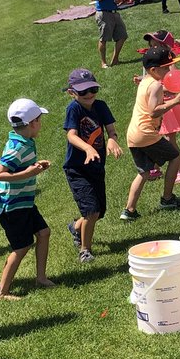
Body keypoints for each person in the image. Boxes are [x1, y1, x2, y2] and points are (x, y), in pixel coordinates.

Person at [0, 98, 55, 300]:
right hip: (12, 206)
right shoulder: (16, 147)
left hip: (24, 202)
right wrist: (28, 173)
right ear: (32, 123)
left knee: (44, 232)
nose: (40, 124)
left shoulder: (24, 142)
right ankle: (2, 293)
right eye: (39, 120)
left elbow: (22, 166)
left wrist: (35, 166)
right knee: (21, 247)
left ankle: (41, 278)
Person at [121, 47, 180, 220]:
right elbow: (154, 112)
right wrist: (175, 101)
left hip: (134, 134)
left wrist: (173, 94)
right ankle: (167, 199)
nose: (169, 71)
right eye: (166, 68)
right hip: (147, 134)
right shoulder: (156, 85)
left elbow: (154, 95)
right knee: (174, 157)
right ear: (154, 70)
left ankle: (129, 211)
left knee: (144, 172)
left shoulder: (146, 80)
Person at [62, 69, 122, 264]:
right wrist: (88, 148)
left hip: (96, 167)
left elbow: (111, 130)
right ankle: (85, 250)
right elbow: (71, 135)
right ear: (72, 93)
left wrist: (112, 140)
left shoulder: (101, 106)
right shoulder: (74, 109)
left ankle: (76, 227)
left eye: (93, 89)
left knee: (99, 211)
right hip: (77, 169)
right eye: (82, 92)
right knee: (91, 211)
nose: (89, 94)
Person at [90, 0, 128, 69]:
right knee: (104, 39)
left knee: (123, 35)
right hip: (103, 13)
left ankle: (115, 59)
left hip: (114, 12)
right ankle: (103, 63)